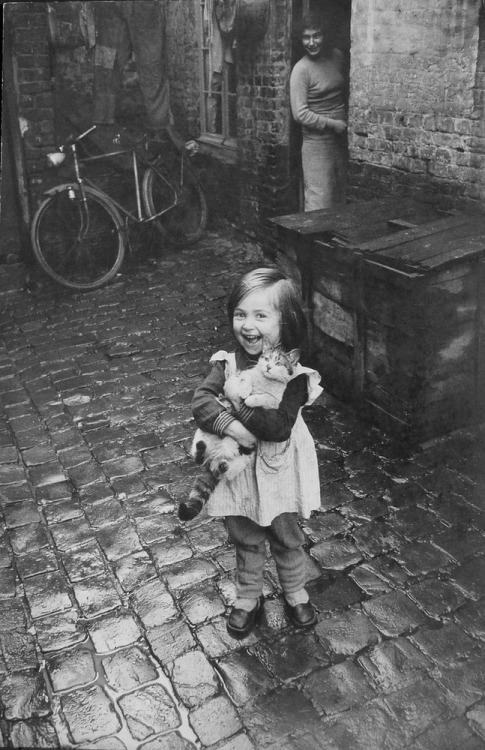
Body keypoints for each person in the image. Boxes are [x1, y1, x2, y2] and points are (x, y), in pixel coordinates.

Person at [191, 268, 323, 639]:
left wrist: (240, 409)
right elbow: (201, 401)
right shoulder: (226, 364)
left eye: (261, 316)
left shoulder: (294, 376)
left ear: (286, 322)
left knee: (285, 534)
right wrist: (231, 427)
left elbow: (279, 426)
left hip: (280, 468)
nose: (248, 325)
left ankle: (295, 589)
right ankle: (248, 596)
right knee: (245, 534)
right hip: (241, 474)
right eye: (240, 314)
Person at [290, 12, 348, 211]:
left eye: (317, 35)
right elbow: (300, 114)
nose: (312, 42)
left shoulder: (337, 57)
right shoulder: (301, 70)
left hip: (340, 140)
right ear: (300, 39)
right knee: (319, 201)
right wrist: (333, 124)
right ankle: (312, 242)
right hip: (317, 144)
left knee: (340, 196)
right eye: (306, 37)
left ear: (325, 36)